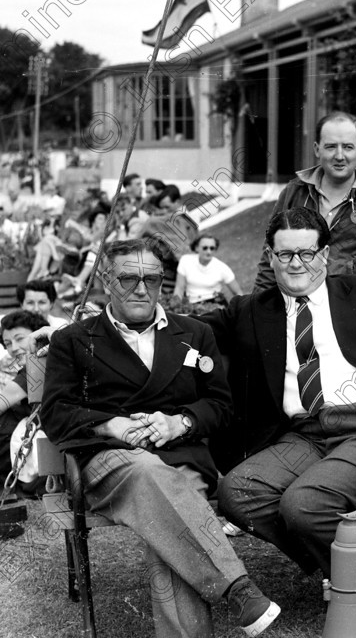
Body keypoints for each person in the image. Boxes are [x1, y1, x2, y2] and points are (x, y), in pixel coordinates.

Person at [200, 207, 356, 638]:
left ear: (325, 254)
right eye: (285, 255)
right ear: (269, 256)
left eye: (307, 253)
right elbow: (186, 330)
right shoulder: (249, 309)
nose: (296, 264)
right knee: (237, 493)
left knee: (303, 505)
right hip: (308, 433)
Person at [40, 239, 281, 638]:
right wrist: (109, 425)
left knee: (170, 512)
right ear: (105, 280)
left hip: (181, 453)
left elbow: (221, 405)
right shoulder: (75, 339)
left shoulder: (195, 333)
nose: (140, 288)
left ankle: (230, 600)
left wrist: (180, 423)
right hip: (112, 460)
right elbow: (55, 412)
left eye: (151, 278)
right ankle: (238, 588)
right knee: (149, 474)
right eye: (128, 278)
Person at [254, 112, 356, 290]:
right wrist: (258, 308)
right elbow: (271, 256)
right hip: (295, 309)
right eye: (330, 147)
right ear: (316, 149)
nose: (339, 155)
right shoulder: (294, 193)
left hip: (355, 311)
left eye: (348, 147)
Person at [0, 311, 49, 485]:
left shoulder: (38, 364)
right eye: (7, 343)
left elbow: (2, 401)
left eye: (19, 338)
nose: (13, 348)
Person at [174, 234, 243, 305]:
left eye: (212, 248)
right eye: (205, 248)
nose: (209, 251)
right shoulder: (185, 260)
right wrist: (176, 306)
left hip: (216, 303)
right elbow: (179, 288)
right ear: (196, 248)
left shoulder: (222, 267)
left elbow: (238, 292)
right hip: (193, 304)